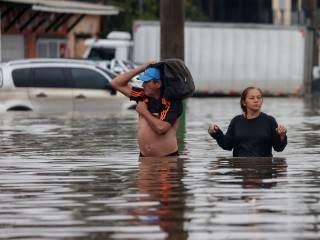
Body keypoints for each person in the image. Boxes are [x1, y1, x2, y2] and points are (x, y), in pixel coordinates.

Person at [111, 61, 183, 157]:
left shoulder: (172, 102)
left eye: (146, 81)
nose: (142, 85)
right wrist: (141, 68)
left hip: (166, 160)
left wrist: (144, 111)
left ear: (158, 83)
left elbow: (161, 129)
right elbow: (116, 83)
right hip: (144, 159)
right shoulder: (142, 95)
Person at [208, 87, 287, 157]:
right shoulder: (236, 121)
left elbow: (279, 148)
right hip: (240, 169)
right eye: (252, 98)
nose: (256, 100)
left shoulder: (269, 120)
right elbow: (227, 145)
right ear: (244, 102)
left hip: (263, 169)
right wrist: (216, 133)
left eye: (259, 97)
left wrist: (282, 136)